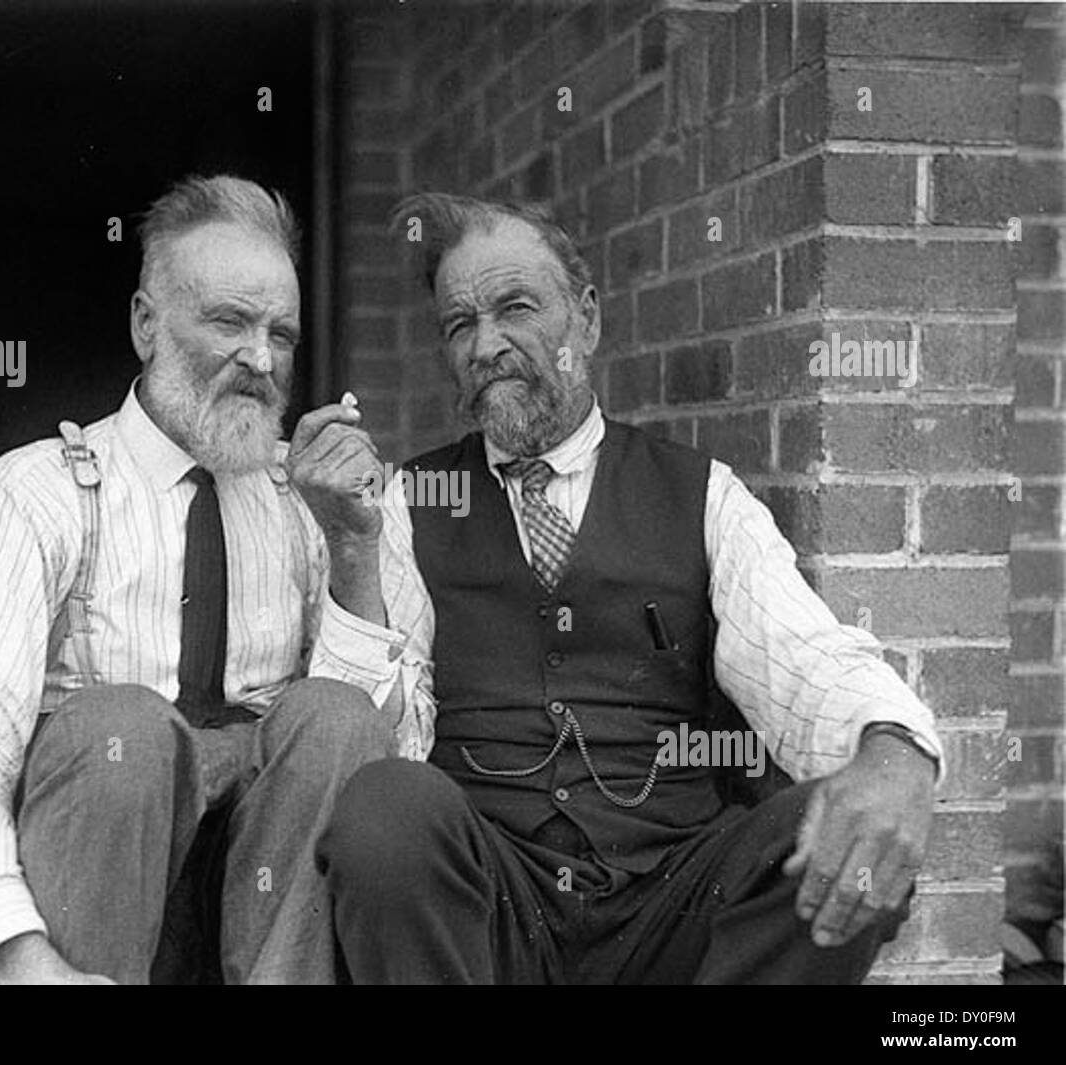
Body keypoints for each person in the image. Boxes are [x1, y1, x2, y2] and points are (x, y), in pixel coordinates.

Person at [316, 192, 944, 985]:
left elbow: (808, 658)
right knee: (383, 808)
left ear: (586, 320)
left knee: (837, 836)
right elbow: (371, 741)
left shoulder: (701, 494)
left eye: (515, 307)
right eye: (458, 324)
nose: (485, 344)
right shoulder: (408, 501)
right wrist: (351, 546)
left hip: (672, 902)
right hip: (492, 907)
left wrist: (893, 748)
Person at [0, 173, 425, 985]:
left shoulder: (317, 498)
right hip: (99, 883)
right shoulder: (38, 489)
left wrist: (354, 545)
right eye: (229, 321)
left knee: (337, 715)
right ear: (147, 324)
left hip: (275, 901)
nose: (261, 358)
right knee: (123, 730)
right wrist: (18, 960)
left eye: (281, 333)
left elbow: (392, 745)